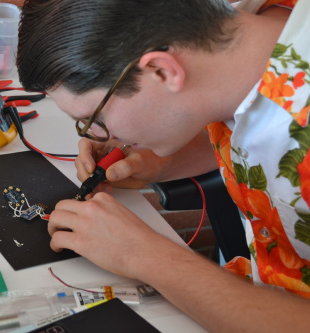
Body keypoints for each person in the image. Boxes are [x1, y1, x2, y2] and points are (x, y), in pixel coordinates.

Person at [16, 0, 310, 331]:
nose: (100, 136)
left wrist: (145, 255)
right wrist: (161, 162)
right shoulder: (251, 31)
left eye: (93, 119)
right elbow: (248, 127)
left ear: (162, 71)